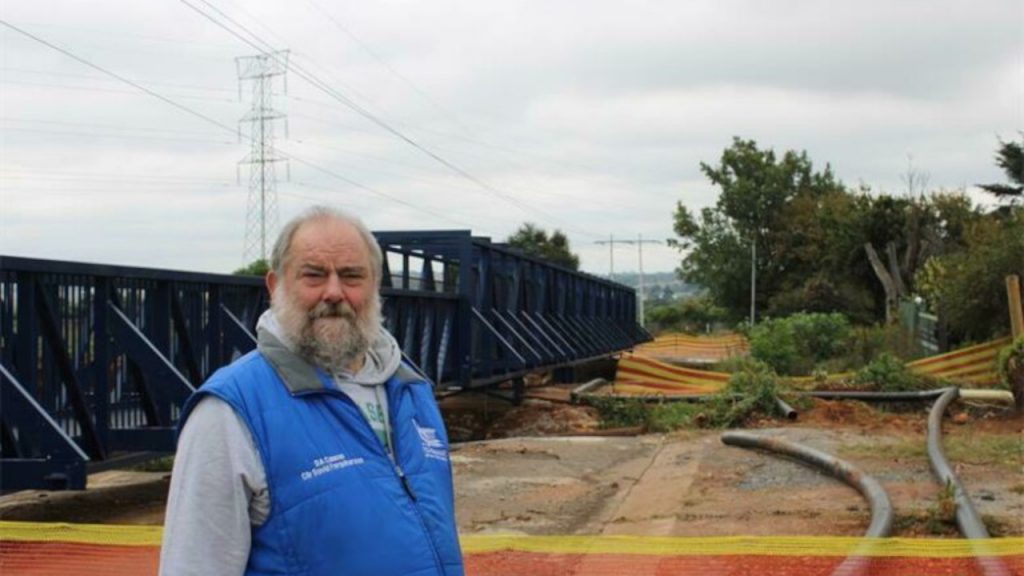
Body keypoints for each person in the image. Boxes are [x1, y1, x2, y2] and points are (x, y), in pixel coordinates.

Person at [160, 206, 464, 576]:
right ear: (275, 286)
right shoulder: (231, 410)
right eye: (314, 275)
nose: (334, 292)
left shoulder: (412, 390)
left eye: (352, 276)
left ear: (374, 286)